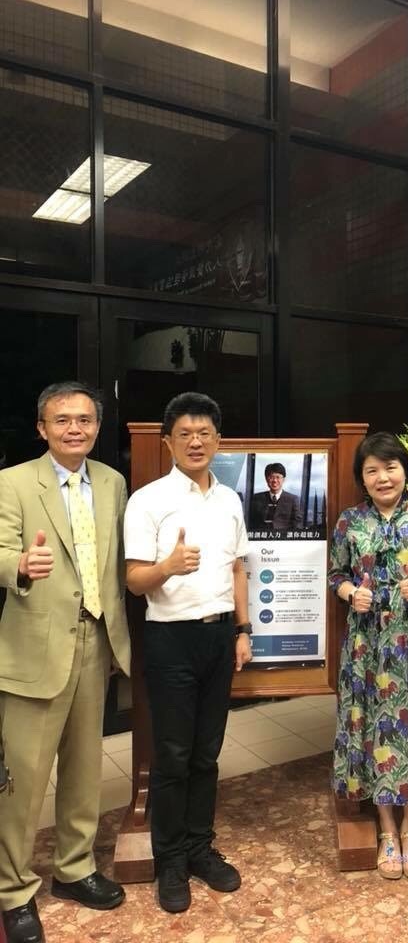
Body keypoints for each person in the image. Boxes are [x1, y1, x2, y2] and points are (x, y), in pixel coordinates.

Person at [0, 382, 130, 943]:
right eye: (62, 420)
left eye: (84, 420)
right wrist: (18, 564)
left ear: (97, 427)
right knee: (23, 780)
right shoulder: (12, 482)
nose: (74, 429)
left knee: (84, 767)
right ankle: (12, 890)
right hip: (34, 644)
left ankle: (75, 869)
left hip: (96, 639)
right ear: (42, 428)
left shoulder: (113, 482)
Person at [124, 392, 252, 914]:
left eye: (204, 433)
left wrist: (243, 630)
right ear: (168, 442)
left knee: (207, 754)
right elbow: (135, 581)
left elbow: (238, 568)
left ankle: (200, 847)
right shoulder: (148, 500)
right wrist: (167, 568)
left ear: (218, 440)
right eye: (185, 434)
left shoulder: (230, 499)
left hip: (219, 638)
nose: (195, 442)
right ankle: (171, 859)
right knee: (173, 756)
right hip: (171, 639)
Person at [329, 432, 408, 879]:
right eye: (372, 470)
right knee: (374, 728)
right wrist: (351, 593)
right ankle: (386, 829)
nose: (383, 477)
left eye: (390, 467)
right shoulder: (349, 521)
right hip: (367, 644)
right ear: (362, 478)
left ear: (406, 470)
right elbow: (336, 574)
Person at [249, 462, 303, 531]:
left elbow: (297, 525)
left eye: (278, 477)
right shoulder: (257, 498)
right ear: (266, 479)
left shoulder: (293, 499)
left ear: (283, 479)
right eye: (271, 477)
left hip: (284, 537)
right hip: (261, 536)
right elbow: (250, 522)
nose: (274, 480)